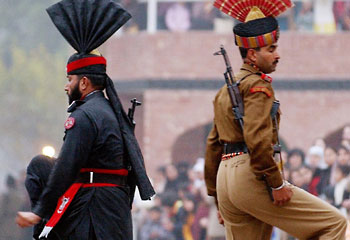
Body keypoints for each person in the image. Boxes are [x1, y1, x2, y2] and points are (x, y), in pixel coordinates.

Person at [204, 1, 347, 239]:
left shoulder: (224, 92)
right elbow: (257, 141)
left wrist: (218, 196)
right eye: (270, 49)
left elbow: (213, 146)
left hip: (225, 179)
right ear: (252, 54)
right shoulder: (257, 87)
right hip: (250, 174)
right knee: (333, 224)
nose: (277, 55)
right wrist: (276, 183)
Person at [16, 0, 155, 239]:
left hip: (94, 211)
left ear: (83, 82)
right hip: (111, 209)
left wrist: (39, 212)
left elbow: (65, 167)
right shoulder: (107, 109)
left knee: (39, 165)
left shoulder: (84, 115)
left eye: (69, 79)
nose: (65, 86)